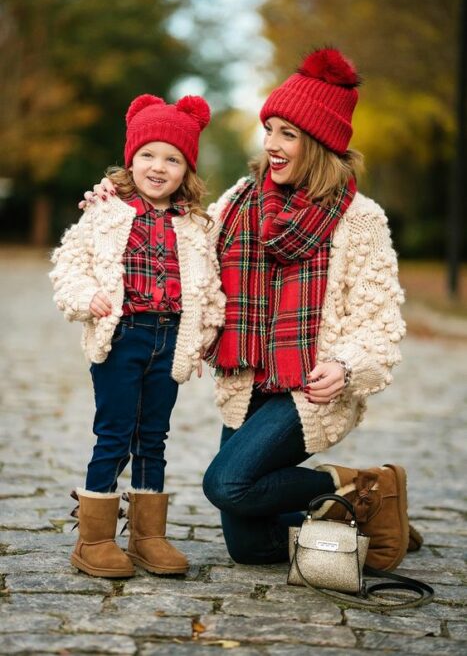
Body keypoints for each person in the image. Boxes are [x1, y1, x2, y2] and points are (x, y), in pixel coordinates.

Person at [84, 48, 410, 572]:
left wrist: (346, 366)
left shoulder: (359, 219)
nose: (272, 146)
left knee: (227, 483)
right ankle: (364, 514)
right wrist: (116, 199)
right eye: (270, 129)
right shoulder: (239, 199)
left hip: (307, 387)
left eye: (288, 134)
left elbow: (381, 322)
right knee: (249, 546)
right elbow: (180, 238)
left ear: (320, 143)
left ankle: (359, 486)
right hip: (249, 381)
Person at [50, 93, 225, 579]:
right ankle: (96, 537)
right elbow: (70, 265)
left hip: (168, 341)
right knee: (114, 435)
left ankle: (149, 536)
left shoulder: (193, 226)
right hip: (123, 336)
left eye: (172, 158)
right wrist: (88, 298)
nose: (158, 166)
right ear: (131, 160)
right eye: (148, 154)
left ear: (186, 169)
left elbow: (208, 285)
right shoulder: (105, 212)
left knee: (155, 436)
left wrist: (204, 334)